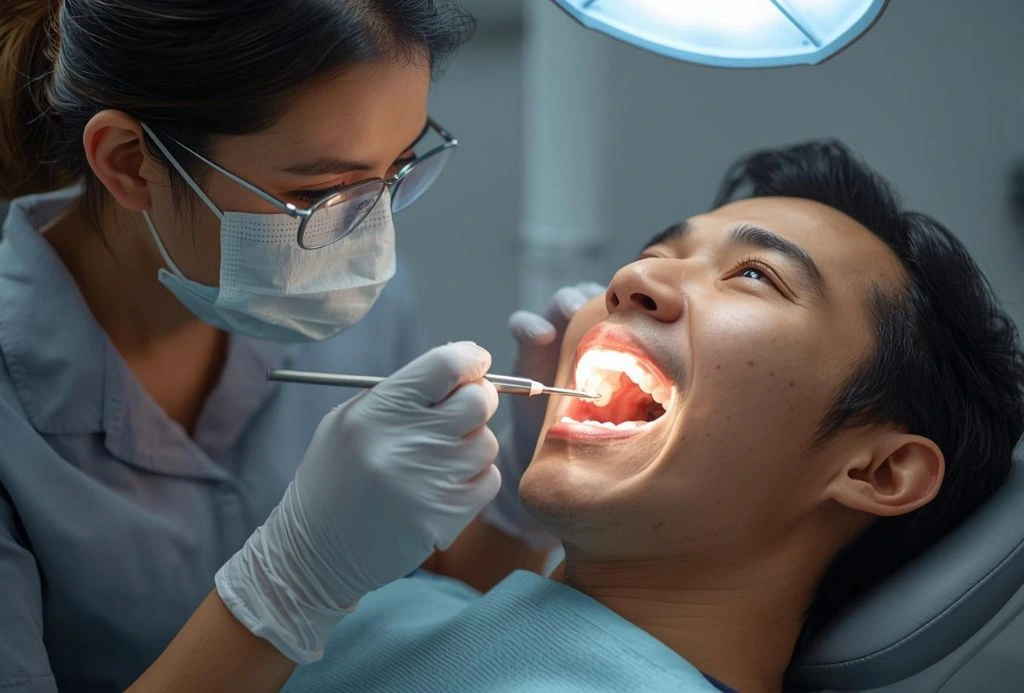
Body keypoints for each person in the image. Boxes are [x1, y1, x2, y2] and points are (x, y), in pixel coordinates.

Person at [0, 1, 602, 691]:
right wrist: (287, 586)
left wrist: (519, 501)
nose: (367, 241)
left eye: (398, 171)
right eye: (319, 193)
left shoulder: (341, 297)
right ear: (129, 163)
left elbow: (438, 597)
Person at [282, 140, 1024, 693]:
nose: (634, 277)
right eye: (655, 251)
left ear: (880, 470)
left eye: (755, 275)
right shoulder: (394, 612)